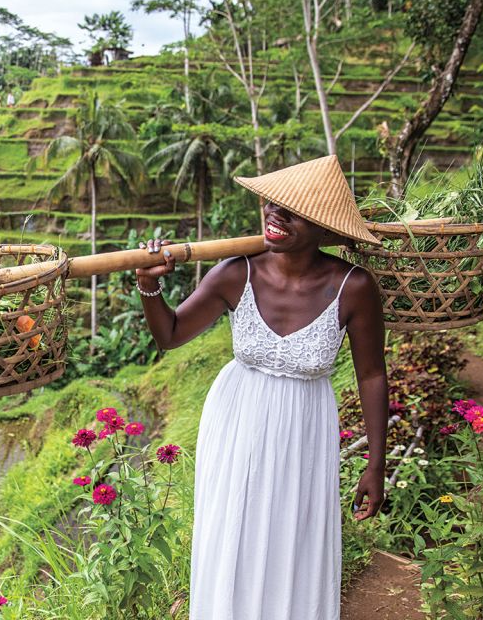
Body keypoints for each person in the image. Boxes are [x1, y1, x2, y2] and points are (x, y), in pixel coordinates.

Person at [135, 155, 389, 619]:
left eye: (290, 211)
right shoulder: (236, 272)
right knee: (234, 532)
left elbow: (372, 374)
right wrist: (149, 287)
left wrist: (377, 463)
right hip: (237, 422)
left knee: (295, 536)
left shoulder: (353, 286)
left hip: (304, 428)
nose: (274, 214)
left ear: (322, 227)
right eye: (271, 204)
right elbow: (169, 335)